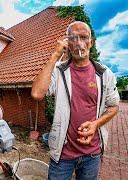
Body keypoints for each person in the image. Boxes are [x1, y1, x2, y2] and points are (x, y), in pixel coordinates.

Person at [31, 21, 119, 180]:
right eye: (73, 38)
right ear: (67, 44)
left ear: (91, 43)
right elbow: (37, 93)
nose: (79, 43)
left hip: (92, 155)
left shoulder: (105, 74)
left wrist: (95, 124)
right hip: (62, 154)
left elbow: (114, 107)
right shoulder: (58, 70)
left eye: (84, 37)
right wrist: (55, 56)